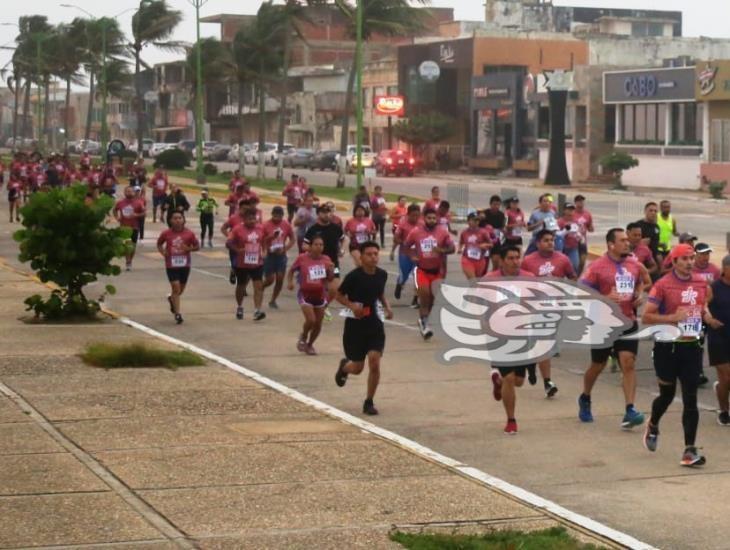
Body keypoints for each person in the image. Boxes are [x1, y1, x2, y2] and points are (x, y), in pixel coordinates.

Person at [642, 243, 720, 467]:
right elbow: (647, 317)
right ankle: (654, 424)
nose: (689, 262)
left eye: (691, 258)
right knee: (666, 395)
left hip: (692, 347)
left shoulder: (700, 282)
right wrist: (672, 318)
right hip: (668, 347)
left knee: (690, 398)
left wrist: (706, 316)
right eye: (684, 259)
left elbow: (704, 302)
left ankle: (689, 450)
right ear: (674, 262)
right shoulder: (663, 285)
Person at [578, 228, 647, 428]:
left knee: (628, 362)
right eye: (623, 240)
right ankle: (585, 397)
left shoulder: (633, 264)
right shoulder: (597, 267)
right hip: (603, 323)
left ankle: (630, 410)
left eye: (628, 240)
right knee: (597, 365)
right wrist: (604, 298)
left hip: (627, 320)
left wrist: (639, 295)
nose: (627, 243)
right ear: (611, 245)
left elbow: (640, 283)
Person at [335, 241, 393, 416]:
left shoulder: (382, 274)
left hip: (374, 323)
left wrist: (387, 306)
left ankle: (369, 401)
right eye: (369, 254)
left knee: (374, 361)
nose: (373, 257)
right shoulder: (354, 276)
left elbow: (380, 292)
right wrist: (352, 306)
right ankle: (345, 367)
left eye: (376, 253)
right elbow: (338, 295)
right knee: (358, 368)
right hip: (355, 326)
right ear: (361, 257)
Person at [484, 245, 536, 434]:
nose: (515, 261)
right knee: (509, 377)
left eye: (517, 257)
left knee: (519, 381)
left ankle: (498, 383)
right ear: (502, 260)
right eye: (511, 258)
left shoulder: (529, 279)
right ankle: (511, 420)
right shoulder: (490, 280)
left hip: (522, 334)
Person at [521, 229, 577, 397]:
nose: (550, 243)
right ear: (537, 243)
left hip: (556, 307)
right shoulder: (528, 261)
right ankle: (547, 381)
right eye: (546, 240)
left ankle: (533, 362)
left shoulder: (563, 259)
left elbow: (572, 277)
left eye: (552, 240)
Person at [404, 207, 455, 339]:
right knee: (425, 295)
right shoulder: (416, 232)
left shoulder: (443, 232)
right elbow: (406, 245)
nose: (432, 220)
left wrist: (442, 250)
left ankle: (423, 320)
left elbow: (452, 248)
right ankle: (425, 325)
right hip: (422, 270)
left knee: (432, 300)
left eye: (434, 218)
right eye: (429, 218)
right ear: (424, 218)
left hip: (437, 271)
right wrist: (411, 256)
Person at [288, 234, 335, 355]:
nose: (319, 247)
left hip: (320, 295)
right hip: (305, 294)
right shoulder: (302, 258)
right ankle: (303, 336)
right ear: (310, 246)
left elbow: (330, 278)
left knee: (318, 324)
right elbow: (292, 270)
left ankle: (310, 345)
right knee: (311, 320)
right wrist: (290, 282)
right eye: (316, 244)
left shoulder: (326, 259)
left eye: (321, 245)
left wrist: (331, 270)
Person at [156, 211, 200, 324]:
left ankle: (172, 299)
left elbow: (197, 246)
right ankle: (178, 314)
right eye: (175, 218)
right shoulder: (166, 233)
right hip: (171, 264)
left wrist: (188, 249)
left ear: (183, 220)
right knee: (176, 288)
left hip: (185, 265)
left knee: (180, 290)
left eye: (180, 218)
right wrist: (163, 252)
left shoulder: (189, 234)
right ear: (170, 220)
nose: (177, 220)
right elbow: (159, 244)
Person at [226, 208, 267, 321]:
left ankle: (257, 310)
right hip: (242, 263)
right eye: (249, 219)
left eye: (254, 218)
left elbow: (264, 239)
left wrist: (264, 251)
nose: (252, 221)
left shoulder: (260, 228)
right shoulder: (237, 229)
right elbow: (228, 243)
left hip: (257, 262)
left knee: (258, 286)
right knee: (241, 286)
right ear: (244, 219)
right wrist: (237, 250)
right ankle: (240, 306)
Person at [707, 254, 730, 426]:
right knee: (727, 377)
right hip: (719, 337)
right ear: (725, 269)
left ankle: (721, 388)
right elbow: (702, 306)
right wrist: (709, 319)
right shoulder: (713, 288)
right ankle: (724, 410)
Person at [262, 205, 295, 309]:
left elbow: (292, 238)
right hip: (270, 255)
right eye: (275, 216)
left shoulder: (286, 224)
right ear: (272, 215)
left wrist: (285, 248)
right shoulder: (265, 225)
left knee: (280, 278)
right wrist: (267, 248)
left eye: (279, 216)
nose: (277, 218)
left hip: (281, 255)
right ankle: (260, 288)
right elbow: (262, 240)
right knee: (270, 279)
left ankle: (273, 300)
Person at [391, 204, 421, 302]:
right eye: (413, 215)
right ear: (408, 214)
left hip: (418, 255)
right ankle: (400, 284)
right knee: (404, 275)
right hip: (405, 254)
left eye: (417, 215)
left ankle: (416, 298)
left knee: (418, 276)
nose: (415, 218)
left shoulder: (422, 224)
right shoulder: (403, 224)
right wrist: (403, 242)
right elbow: (396, 238)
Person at [113, 186, 146, 270]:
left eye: (131, 191)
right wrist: (117, 217)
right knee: (127, 245)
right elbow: (114, 210)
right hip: (124, 228)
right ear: (124, 193)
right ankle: (128, 261)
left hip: (134, 227)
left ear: (134, 193)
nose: (129, 193)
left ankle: (130, 261)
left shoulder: (138, 203)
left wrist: (136, 215)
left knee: (133, 246)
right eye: (127, 191)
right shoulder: (120, 203)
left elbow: (144, 213)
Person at [458, 212, 493, 280]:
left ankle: (472, 290)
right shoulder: (464, 232)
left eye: (477, 220)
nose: (476, 222)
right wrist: (460, 248)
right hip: (467, 259)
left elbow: (491, 244)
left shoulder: (483, 232)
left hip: (480, 260)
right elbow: (461, 242)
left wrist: (484, 245)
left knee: (477, 281)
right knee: (473, 281)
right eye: (473, 220)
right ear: (468, 221)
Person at [481, 195, 506, 271]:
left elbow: (502, 228)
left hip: (496, 241)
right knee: (484, 266)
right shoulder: (484, 214)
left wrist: (504, 232)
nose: (496, 206)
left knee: (496, 263)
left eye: (498, 204)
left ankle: (492, 278)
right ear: (490, 204)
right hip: (485, 241)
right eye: (494, 204)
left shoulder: (501, 215)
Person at [557, 203, 582, 275]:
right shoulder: (560, 222)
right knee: (560, 267)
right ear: (564, 210)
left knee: (574, 266)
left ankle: (571, 282)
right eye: (568, 210)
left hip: (573, 247)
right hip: (562, 248)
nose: (570, 212)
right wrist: (565, 231)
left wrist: (579, 236)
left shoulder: (576, 222)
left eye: (572, 210)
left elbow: (579, 233)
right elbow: (557, 235)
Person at [635, 202, 662, 267]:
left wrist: (660, 246)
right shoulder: (638, 225)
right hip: (641, 260)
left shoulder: (656, 227)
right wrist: (640, 243)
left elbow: (654, 242)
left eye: (655, 211)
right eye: (651, 210)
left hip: (654, 260)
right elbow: (630, 243)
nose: (653, 213)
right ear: (645, 211)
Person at [574, 195, 594, 274]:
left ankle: (577, 277)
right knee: (574, 262)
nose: (581, 203)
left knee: (582, 261)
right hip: (573, 241)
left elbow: (590, 227)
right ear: (575, 203)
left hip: (582, 241)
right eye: (579, 201)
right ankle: (572, 276)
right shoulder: (572, 213)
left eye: (582, 201)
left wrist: (591, 228)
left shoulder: (587, 214)